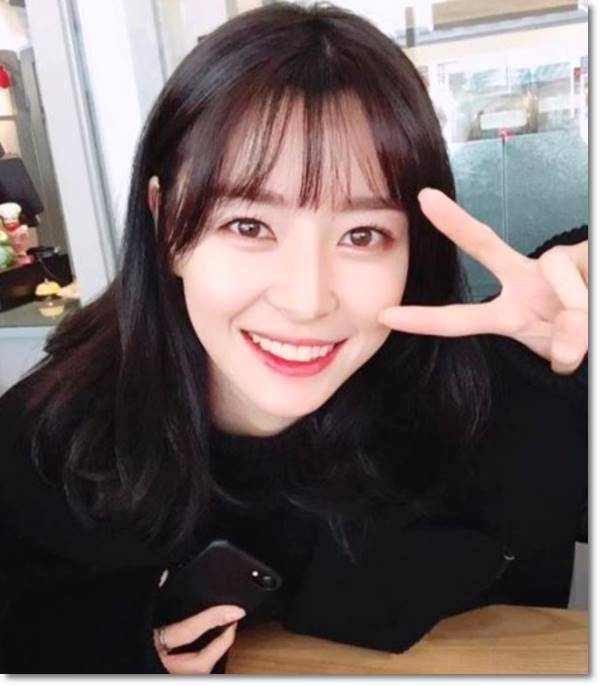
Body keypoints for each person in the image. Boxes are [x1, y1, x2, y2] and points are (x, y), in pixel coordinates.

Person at [0, 2, 588, 675]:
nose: (307, 301)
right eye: (249, 226)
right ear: (166, 226)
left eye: (363, 235)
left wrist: (570, 372)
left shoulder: (483, 399)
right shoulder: (51, 442)